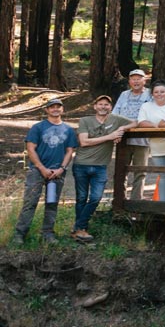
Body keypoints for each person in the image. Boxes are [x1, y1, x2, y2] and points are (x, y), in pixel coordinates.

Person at [12, 99, 79, 245]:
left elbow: (70, 151)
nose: (55, 109)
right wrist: (41, 168)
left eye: (58, 107)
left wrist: (61, 168)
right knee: (30, 202)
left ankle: (47, 234)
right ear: (47, 110)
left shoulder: (68, 130)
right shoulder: (38, 128)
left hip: (56, 174)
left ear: (62, 109)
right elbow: (31, 148)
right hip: (37, 172)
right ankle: (20, 234)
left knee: (51, 203)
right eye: (52, 107)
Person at [71, 96, 133, 240]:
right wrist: (110, 136)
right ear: (95, 106)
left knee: (95, 197)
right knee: (81, 197)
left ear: (110, 107)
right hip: (81, 164)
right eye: (100, 104)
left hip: (100, 167)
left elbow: (137, 122)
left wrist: (122, 129)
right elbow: (84, 142)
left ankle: (78, 227)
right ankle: (81, 230)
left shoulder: (116, 120)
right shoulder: (85, 121)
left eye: (106, 105)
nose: (103, 107)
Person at [136, 81, 165, 201]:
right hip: (156, 144)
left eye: (162, 91)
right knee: (163, 175)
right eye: (156, 92)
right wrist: (159, 126)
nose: (159, 94)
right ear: (152, 93)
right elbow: (142, 122)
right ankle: (163, 204)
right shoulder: (146, 106)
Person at [113, 69, 152, 184]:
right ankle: (120, 200)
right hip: (124, 138)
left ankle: (137, 201)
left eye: (139, 79)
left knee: (140, 172)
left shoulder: (150, 94)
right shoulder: (124, 95)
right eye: (133, 79)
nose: (136, 81)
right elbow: (115, 114)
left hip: (142, 139)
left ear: (144, 80)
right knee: (120, 171)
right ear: (129, 81)